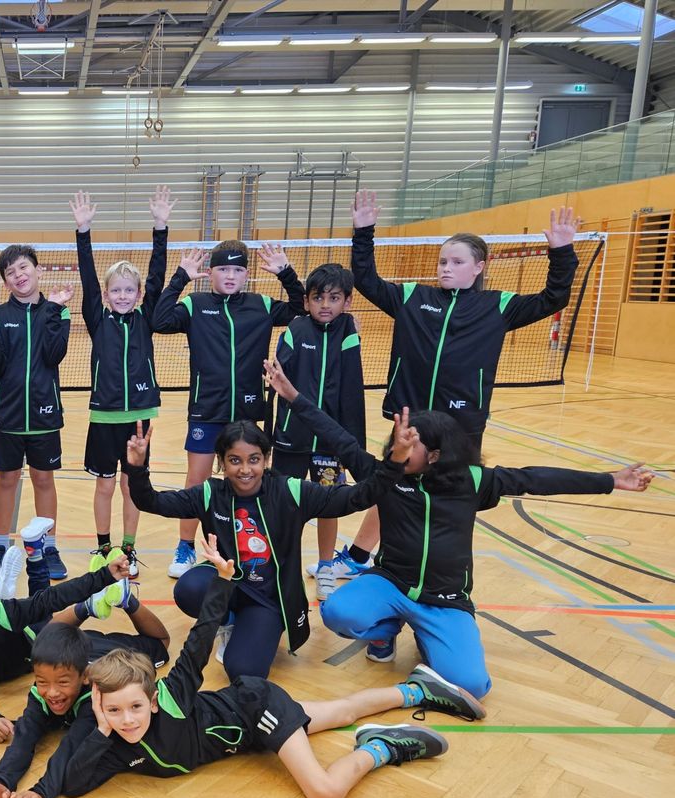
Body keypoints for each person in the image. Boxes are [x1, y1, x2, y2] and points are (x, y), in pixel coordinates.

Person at [264, 357, 653, 694]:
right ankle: (386, 630)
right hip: (391, 583)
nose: (397, 447)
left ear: (434, 455)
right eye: (398, 439)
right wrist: (292, 395)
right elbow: (339, 438)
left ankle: (428, 633)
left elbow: (536, 479)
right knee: (337, 612)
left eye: (410, 443)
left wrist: (610, 480)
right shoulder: (386, 476)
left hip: (445, 599)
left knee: (472, 684)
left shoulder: (473, 482)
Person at [42, 535, 474, 798]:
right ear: (100, 708)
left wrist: (223, 580)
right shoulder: (113, 739)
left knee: (324, 793)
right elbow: (75, 784)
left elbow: (200, 638)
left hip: (256, 710)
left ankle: (381, 748)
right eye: (114, 711)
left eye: (135, 707)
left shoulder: (170, 697)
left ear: (153, 701)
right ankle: (417, 690)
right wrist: (101, 730)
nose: (127, 719)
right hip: (250, 730)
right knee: (342, 712)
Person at [328, 193, 582, 583]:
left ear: (479, 267)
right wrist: (363, 232)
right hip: (410, 418)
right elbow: (366, 280)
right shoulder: (412, 298)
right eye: (443, 261)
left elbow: (554, 298)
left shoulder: (499, 306)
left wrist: (561, 252)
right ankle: (360, 556)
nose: (446, 268)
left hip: (461, 424)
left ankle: (443, 576)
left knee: (453, 500)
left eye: (457, 262)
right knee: (391, 485)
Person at [123, 416, 381, 681]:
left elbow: (354, 498)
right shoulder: (210, 494)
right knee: (189, 589)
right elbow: (151, 501)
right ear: (222, 462)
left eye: (254, 459)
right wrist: (137, 467)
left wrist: (393, 467)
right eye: (235, 460)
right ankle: (228, 621)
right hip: (227, 584)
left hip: (268, 599)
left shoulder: (289, 491)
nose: (245, 469)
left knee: (243, 670)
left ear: (266, 459)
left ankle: (255, 627)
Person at [152, 239, 305, 579]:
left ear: (247, 274)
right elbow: (159, 320)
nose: (231, 276)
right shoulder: (195, 305)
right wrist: (181, 277)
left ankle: (242, 543)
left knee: (246, 480)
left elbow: (301, 307)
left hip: (247, 411)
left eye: (237, 269)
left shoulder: (261, 305)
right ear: (211, 273)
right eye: (223, 269)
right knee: (197, 480)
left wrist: (285, 272)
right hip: (207, 409)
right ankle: (185, 546)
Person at [0, 552, 139, 743]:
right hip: (17, 664)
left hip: (37, 645)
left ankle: (84, 605)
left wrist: (105, 576)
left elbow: (50, 598)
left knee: (57, 625)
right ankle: (40, 557)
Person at [0, 612, 171, 798]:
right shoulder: (42, 691)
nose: (52, 692)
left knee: (162, 645)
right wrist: (1, 779)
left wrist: (42, 791)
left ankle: (129, 601)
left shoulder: (95, 698)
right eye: (42, 682)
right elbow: (24, 737)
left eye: (63, 682)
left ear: (85, 677)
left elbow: (71, 745)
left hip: (116, 647)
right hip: (85, 645)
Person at [70, 186, 172, 578]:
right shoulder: (98, 319)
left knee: (132, 486)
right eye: (117, 290)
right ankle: (102, 547)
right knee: (105, 486)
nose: (124, 295)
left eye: (130, 290)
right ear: (107, 294)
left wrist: (160, 227)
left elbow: (158, 276)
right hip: (104, 417)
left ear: (139, 294)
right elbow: (87, 276)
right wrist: (83, 232)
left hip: (139, 419)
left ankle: (129, 547)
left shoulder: (146, 319)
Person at [0, 251, 74, 581]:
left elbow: (54, 355)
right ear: (5, 280)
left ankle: (49, 546)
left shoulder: (58, 310)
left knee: (44, 479)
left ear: (37, 270)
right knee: (7, 479)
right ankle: (0, 546)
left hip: (44, 413)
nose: (19, 275)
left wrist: (52, 311)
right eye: (10, 272)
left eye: (23, 267)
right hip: (8, 414)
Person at [270, 263, 365, 601]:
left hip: (330, 443)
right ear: (306, 301)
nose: (325, 305)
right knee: (284, 506)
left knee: (329, 505)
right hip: (290, 441)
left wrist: (353, 445)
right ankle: (281, 567)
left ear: (347, 302)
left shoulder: (348, 331)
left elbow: (353, 392)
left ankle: (326, 566)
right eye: (317, 298)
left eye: (334, 298)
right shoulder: (295, 329)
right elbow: (279, 380)